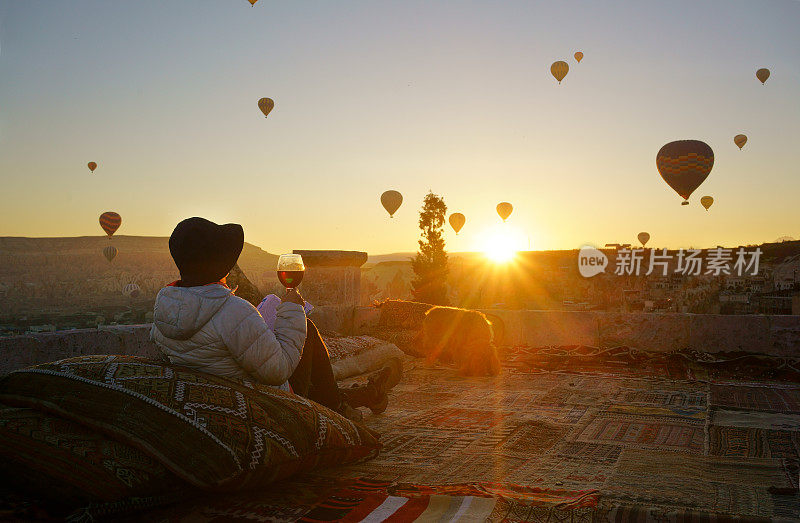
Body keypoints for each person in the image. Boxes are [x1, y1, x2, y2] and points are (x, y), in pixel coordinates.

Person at [150, 217, 397, 421]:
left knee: (322, 390)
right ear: (222, 266)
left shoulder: (166, 306)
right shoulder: (234, 311)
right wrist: (291, 310)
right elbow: (278, 371)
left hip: (215, 392)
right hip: (260, 401)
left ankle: (364, 395)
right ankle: (347, 404)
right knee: (307, 329)